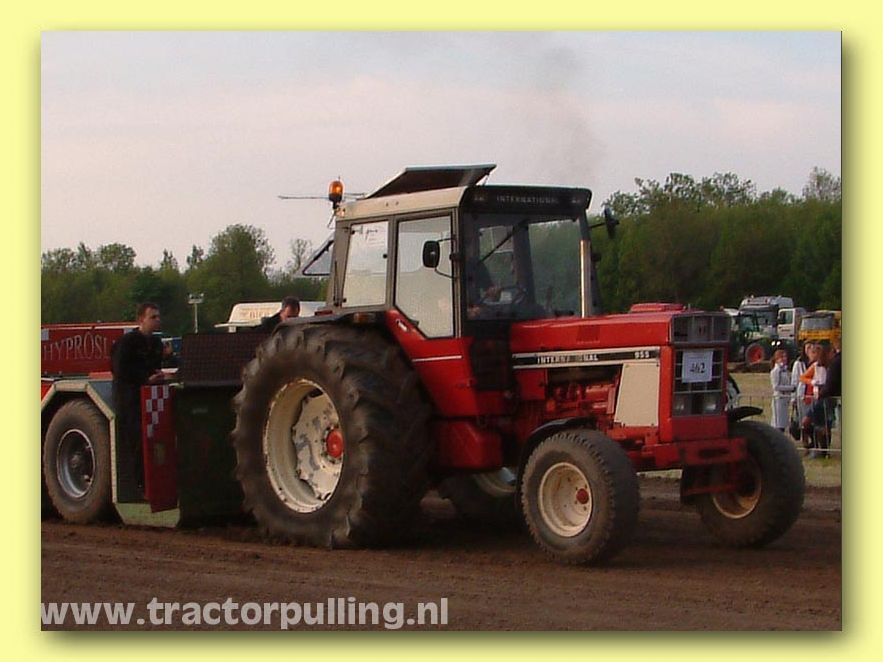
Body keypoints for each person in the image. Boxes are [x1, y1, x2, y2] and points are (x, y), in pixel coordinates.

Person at [111, 302, 165, 496]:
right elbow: (119, 370)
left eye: (158, 317)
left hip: (151, 398)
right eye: (153, 317)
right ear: (141, 319)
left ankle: (156, 482)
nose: (157, 321)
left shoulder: (156, 344)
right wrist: (144, 379)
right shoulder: (127, 343)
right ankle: (140, 486)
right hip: (130, 400)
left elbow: (155, 365)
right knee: (137, 442)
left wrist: (159, 376)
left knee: (155, 440)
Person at [769, 349, 794, 432]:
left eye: (785, 357)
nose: (784, 359)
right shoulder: (775, 371)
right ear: (777, 359)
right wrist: (791, 388)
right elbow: (776, 387)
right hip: (779, 399)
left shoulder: (785, 370)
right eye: (782, 357)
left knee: (783, 423)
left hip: (785, 400)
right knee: (778, 423)